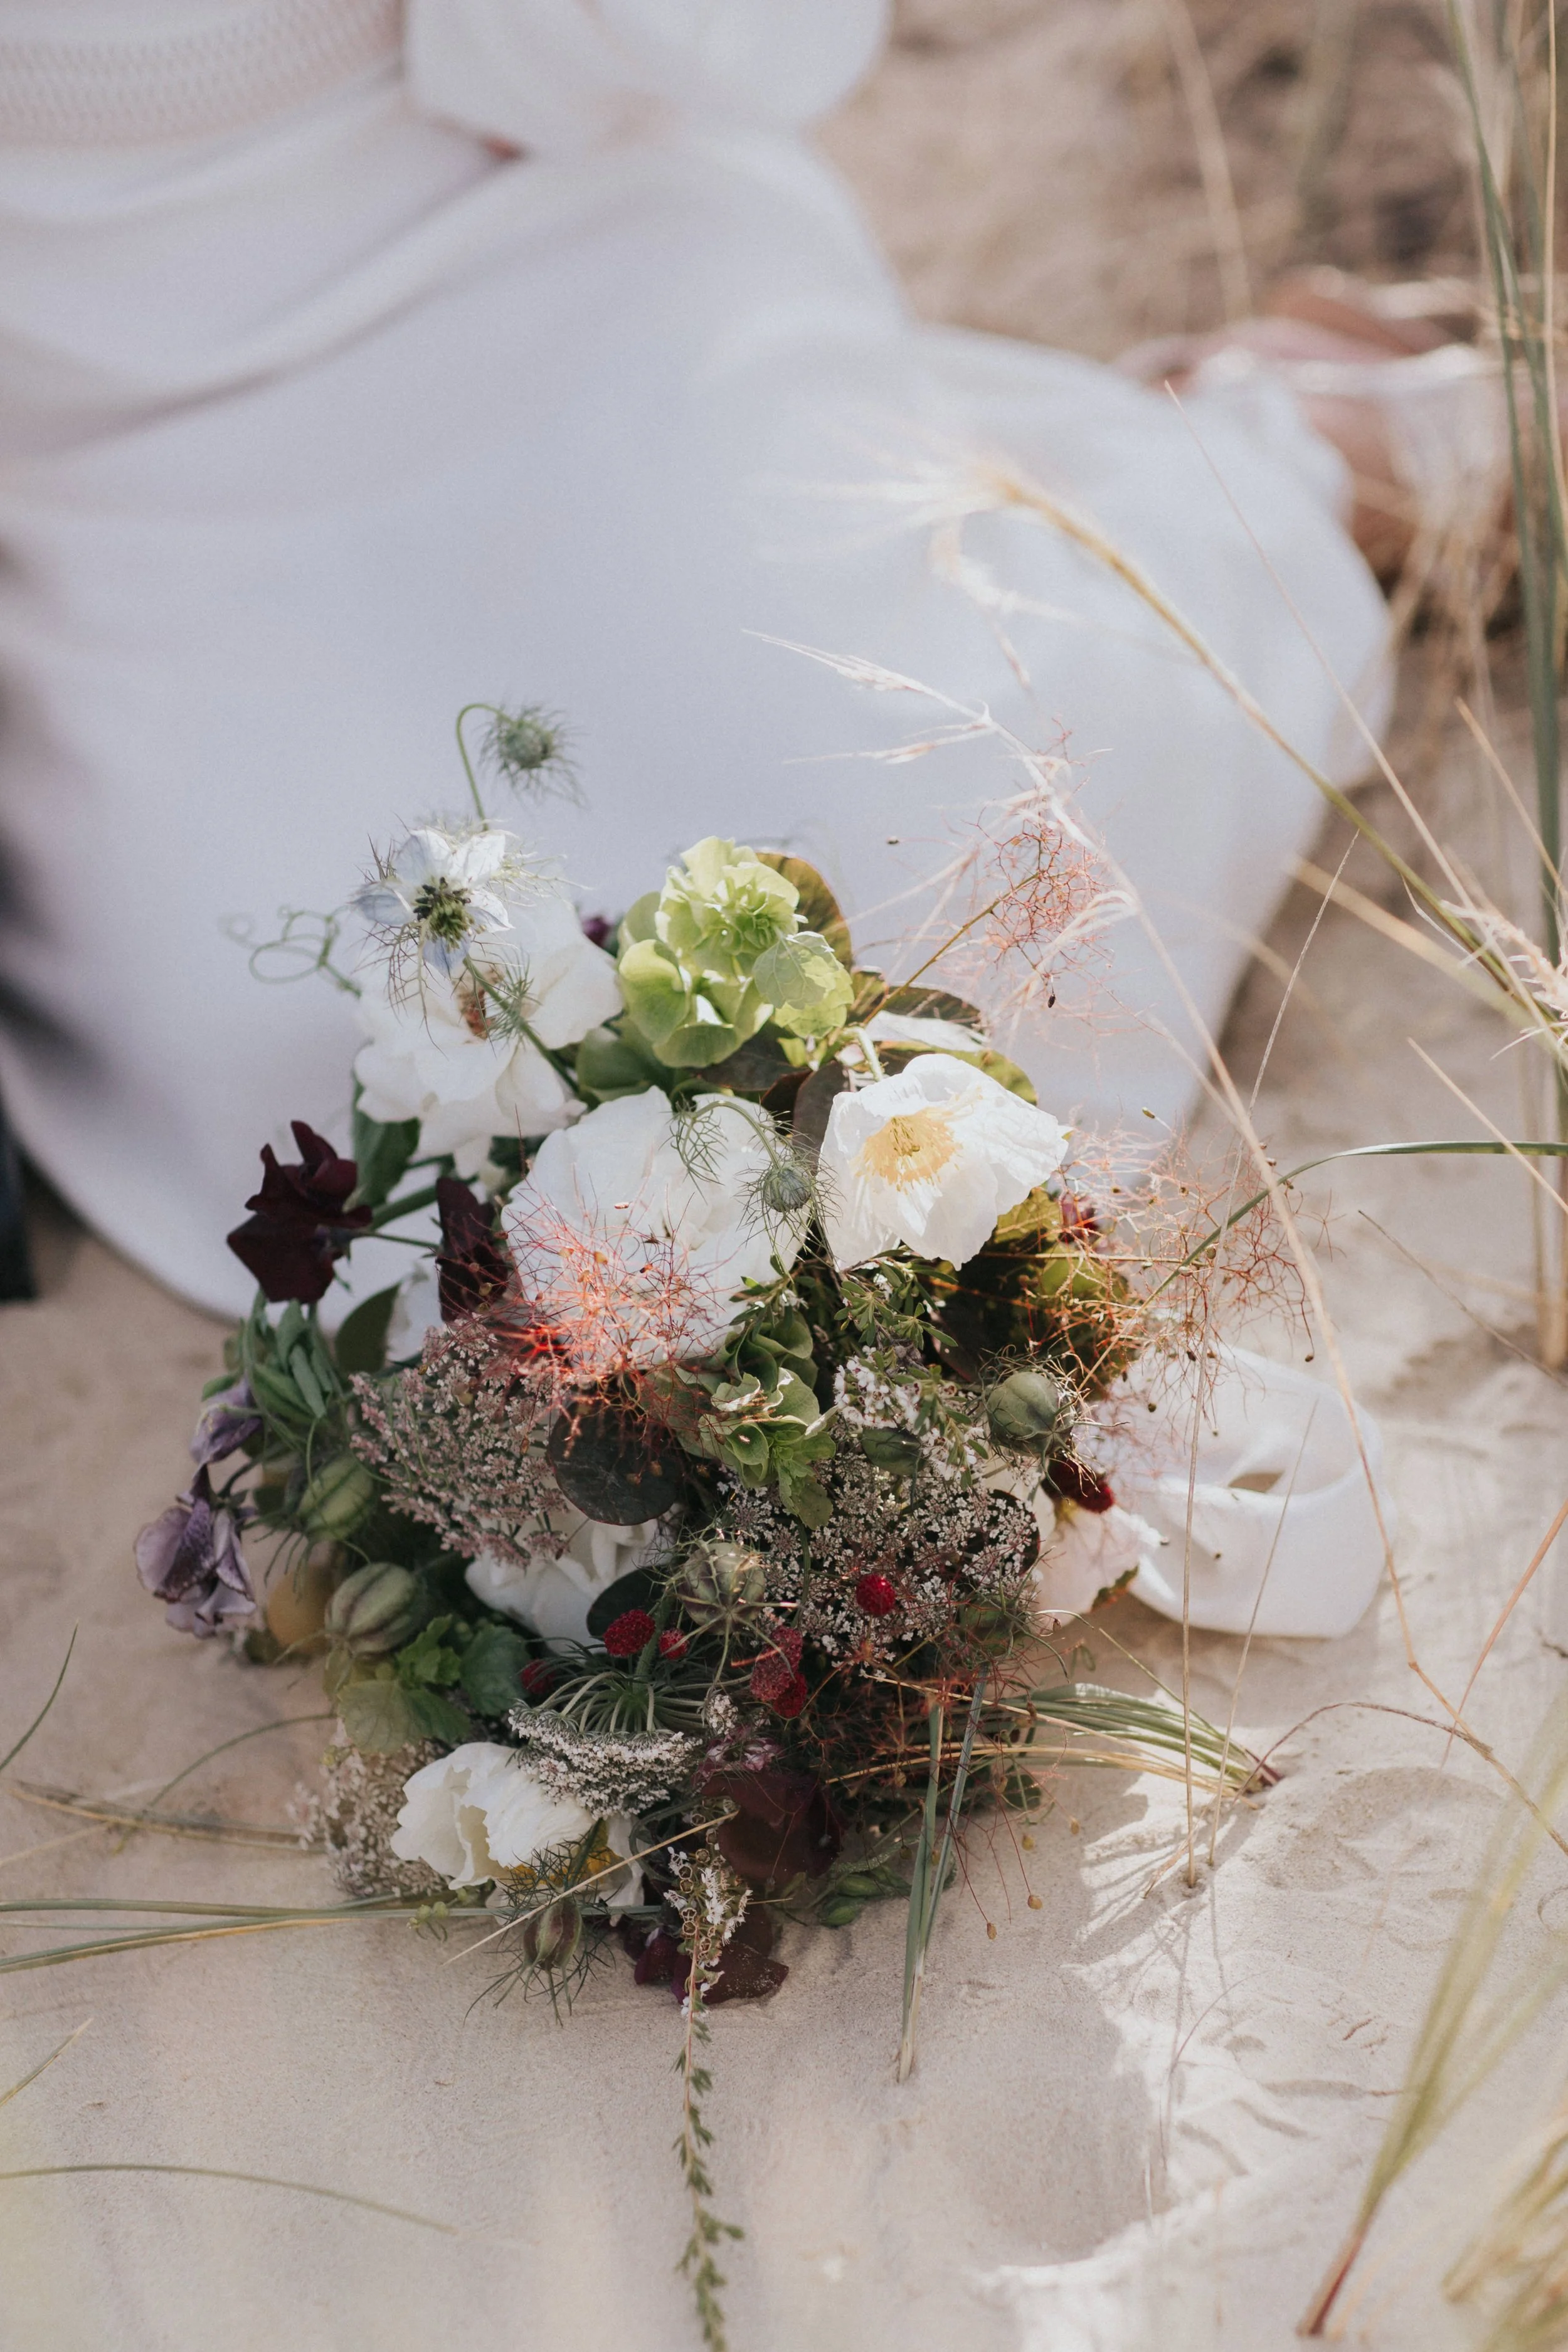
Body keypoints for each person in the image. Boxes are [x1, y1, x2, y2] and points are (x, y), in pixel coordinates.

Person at [0, 0, 1409, 1316]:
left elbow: (742, 44)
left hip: (539, 252)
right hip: (117, 482)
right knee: (306, 1045)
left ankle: (1253, 461)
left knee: (910, 832)